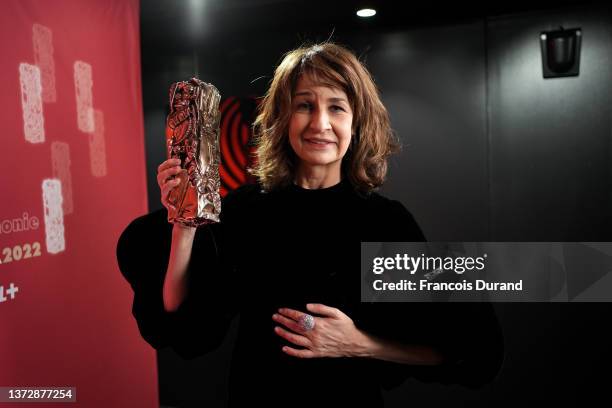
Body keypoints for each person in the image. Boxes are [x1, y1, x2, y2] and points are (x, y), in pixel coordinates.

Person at [117, 42, 503, 407]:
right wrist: (184, 223)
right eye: (305, 105)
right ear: (284, 118)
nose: (320, 123)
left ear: (356, 123)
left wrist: (357, 343)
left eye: (337, 107)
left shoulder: (383, 221)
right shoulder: (247, 210)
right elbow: (181, 322)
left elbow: (469, 350)